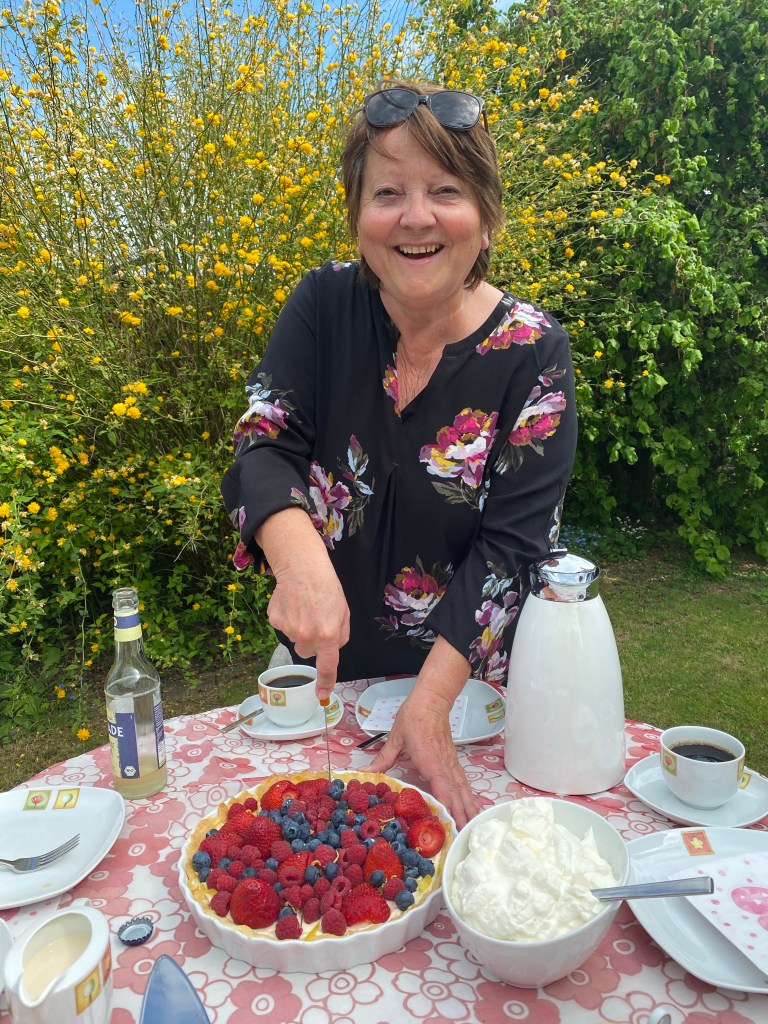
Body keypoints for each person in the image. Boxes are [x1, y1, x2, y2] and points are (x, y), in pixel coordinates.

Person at [221, 81, 577, 827]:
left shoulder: (534, 352)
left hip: (468, 693)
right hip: (322, 681)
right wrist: (296, 556)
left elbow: (514, 546)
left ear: (486, 217)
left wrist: (430, 702)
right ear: (359, 218)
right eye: (388, 192)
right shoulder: (322, 305)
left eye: (445, 190)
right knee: (306, 851)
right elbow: (264, 441)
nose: (416, 217)